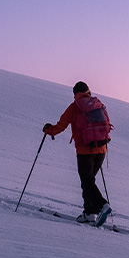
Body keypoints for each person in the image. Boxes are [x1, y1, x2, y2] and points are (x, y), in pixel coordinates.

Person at [43, 82, 113, 225]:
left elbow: (61, 126)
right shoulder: (98, 104)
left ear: (75, 94)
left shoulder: (74, 107)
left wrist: (48, 130)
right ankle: (90, 213)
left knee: (87, 181)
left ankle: (102, 205)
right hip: (101, 149)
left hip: (85, 151)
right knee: (88, 182)